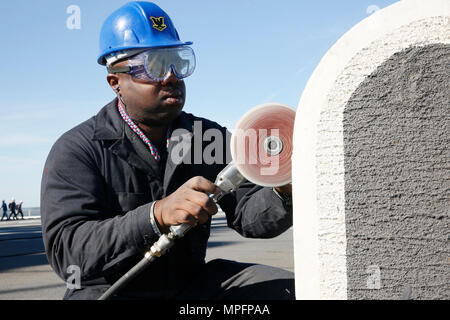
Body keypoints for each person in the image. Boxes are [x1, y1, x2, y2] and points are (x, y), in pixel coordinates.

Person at [41, 1, 294, 300]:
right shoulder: (78, 149)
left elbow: (250, 218)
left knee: (296, 290)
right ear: (115, 82)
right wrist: (155, 215)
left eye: (178, 61)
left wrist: (283, 188)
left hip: (190, 285)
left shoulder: (208, 137)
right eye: (155, 66)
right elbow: (66, 250)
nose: (171, 76)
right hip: (112, 290)